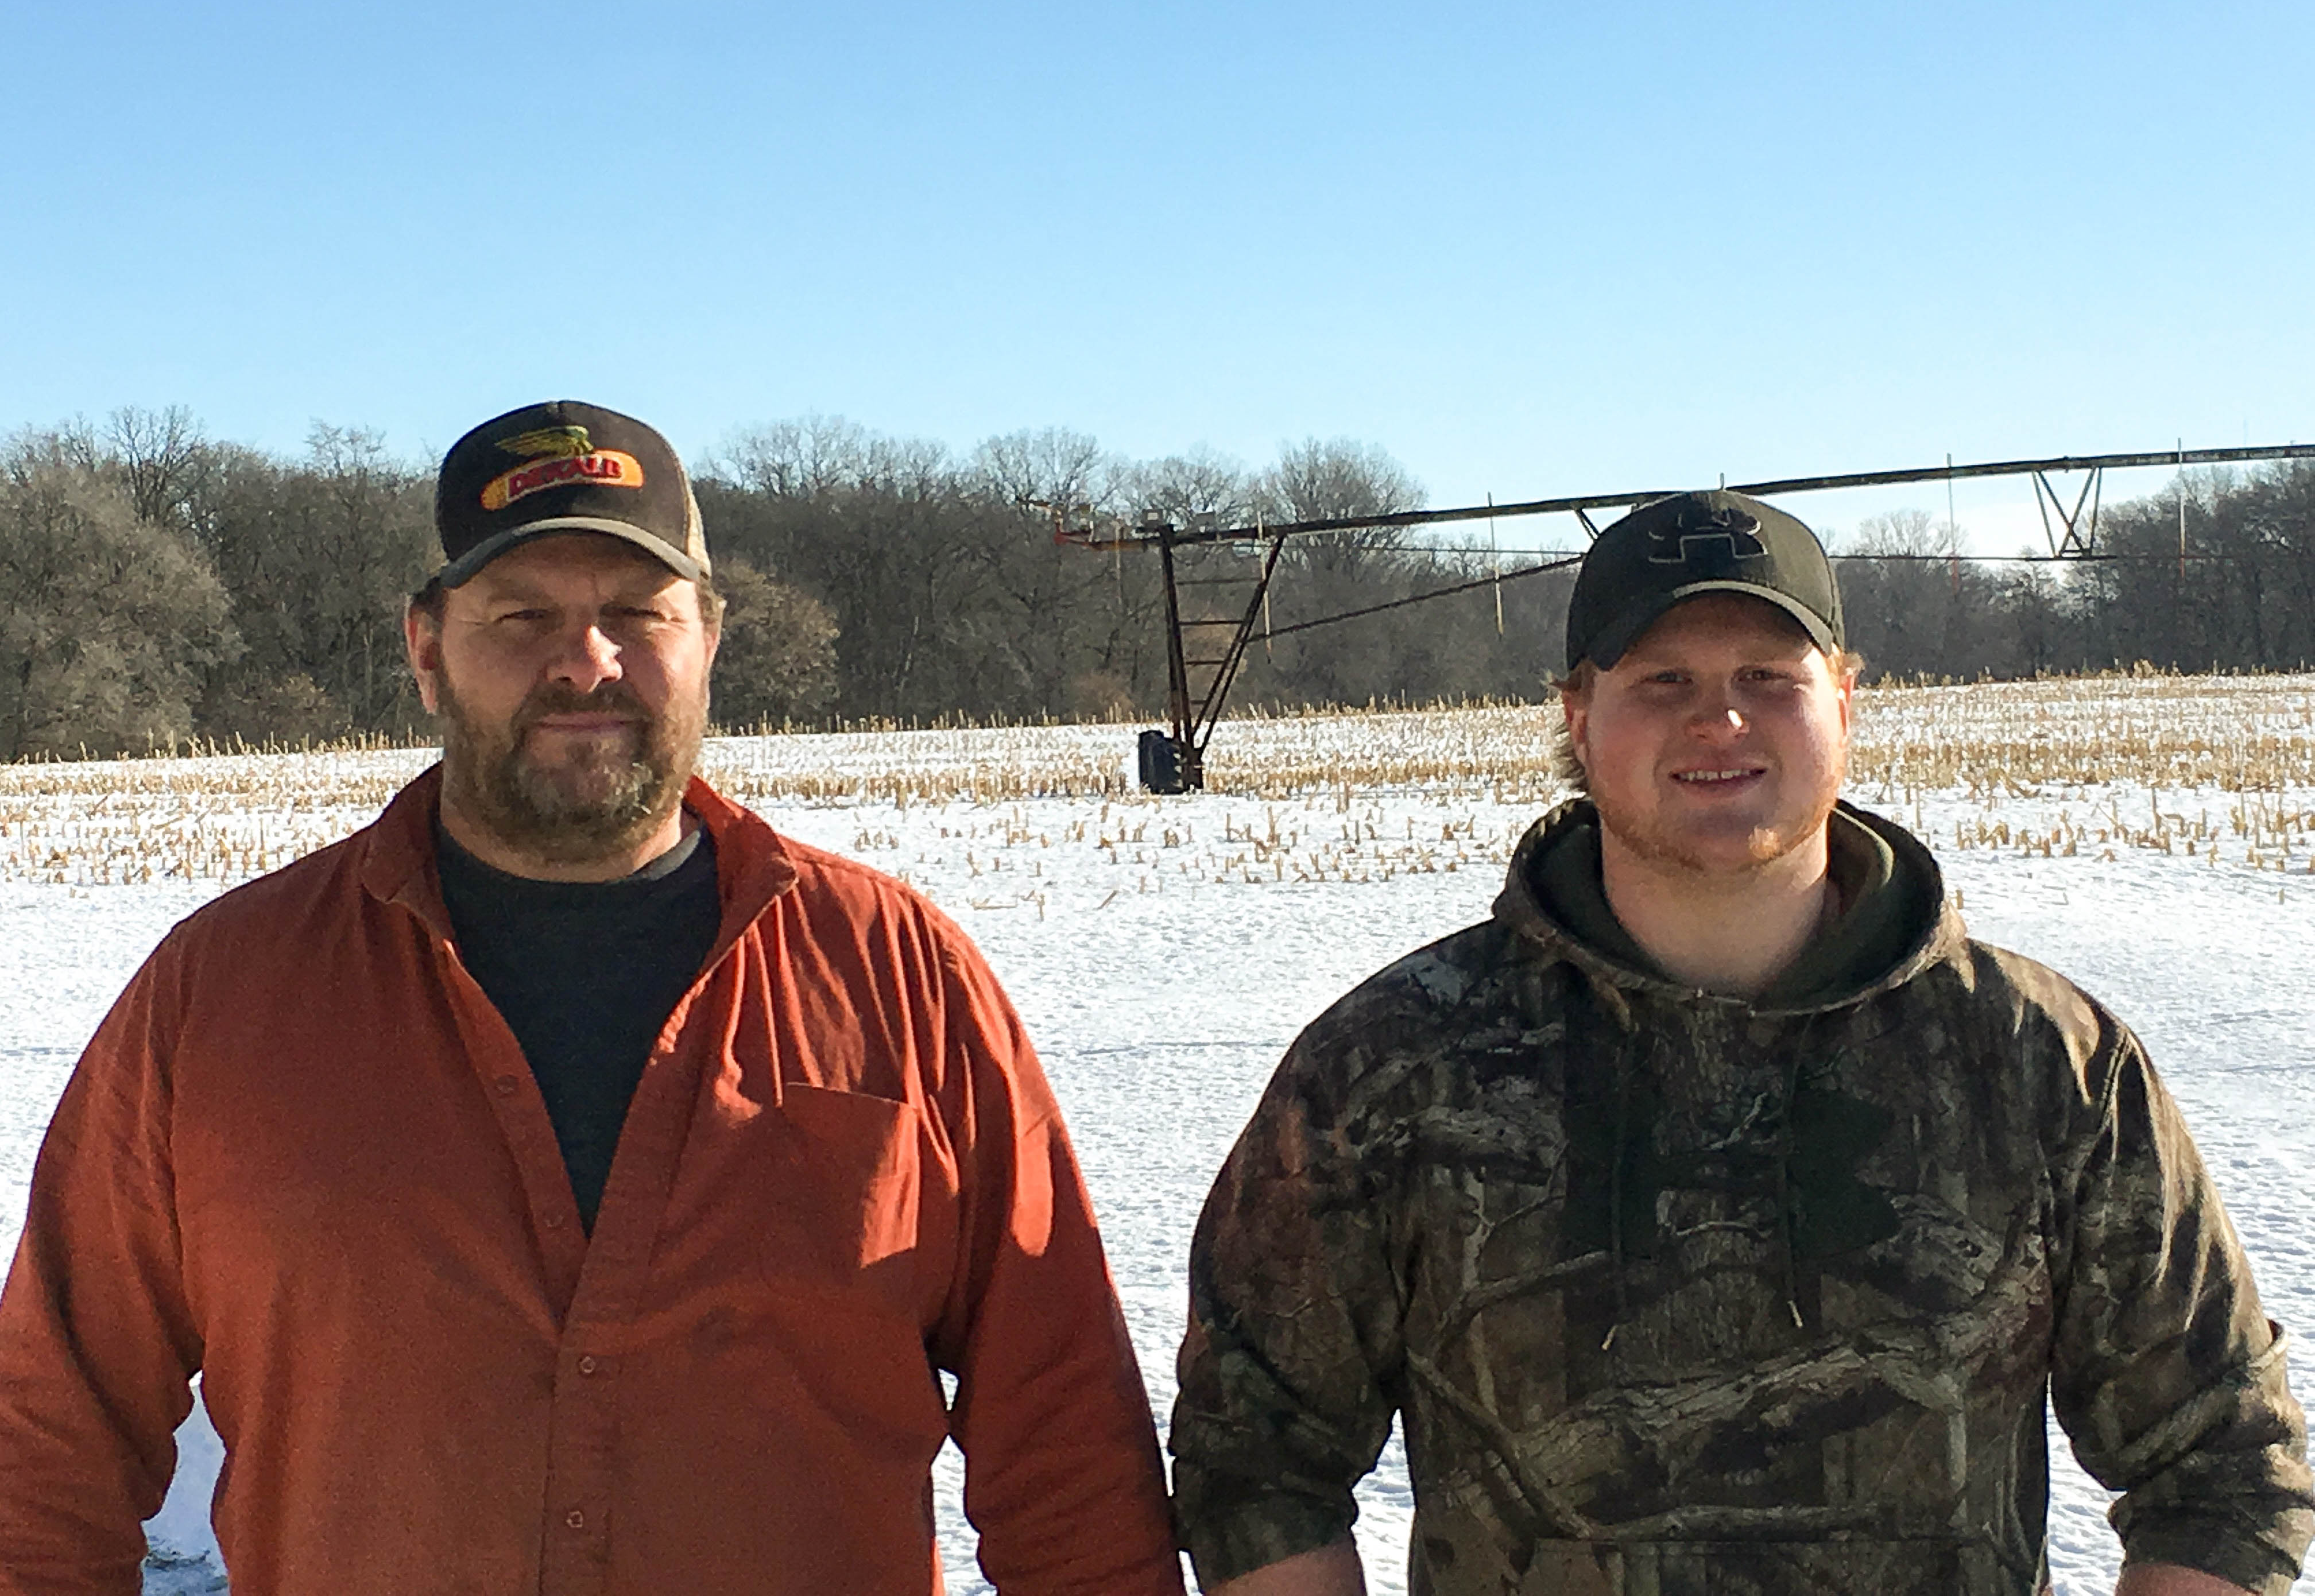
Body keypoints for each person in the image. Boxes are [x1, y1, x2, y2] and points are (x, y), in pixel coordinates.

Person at [0, 401, 1184, 1596]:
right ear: (424, 648)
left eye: (636, 613)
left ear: (708, 639)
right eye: (523, 617)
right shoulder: (220, 1000)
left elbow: (1069, 1452)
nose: (585, 661)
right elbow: (45, 1458)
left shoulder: (899, 978)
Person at [1171, 490, 2313, 1596]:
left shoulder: (2039, 1061)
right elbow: (1256, 1456)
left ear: (1846, 705)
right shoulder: (1393, 1067)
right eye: (1664, 681)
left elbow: (2225, 1465)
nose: (1718, 721)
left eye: (1768, 679)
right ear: (1578, 717)